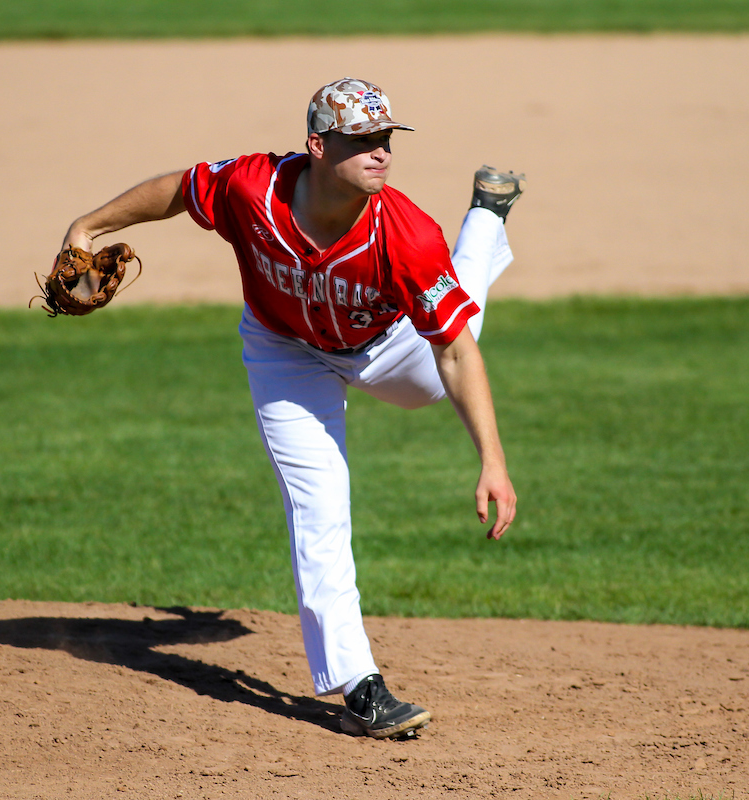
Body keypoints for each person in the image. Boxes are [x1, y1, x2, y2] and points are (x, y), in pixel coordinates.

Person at [61, 78, 521, 740]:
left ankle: (486, 217)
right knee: (318, 506)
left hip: (389, 349)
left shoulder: (407, 234)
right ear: (317, 144)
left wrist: (492, 461)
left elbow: (451, 353)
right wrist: (89, 227)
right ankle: (359, 686)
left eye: (385, 138)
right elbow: (178, 189)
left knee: (459, 315)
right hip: (285, 350)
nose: (380, 151)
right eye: (362, 139)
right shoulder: (253, 189)